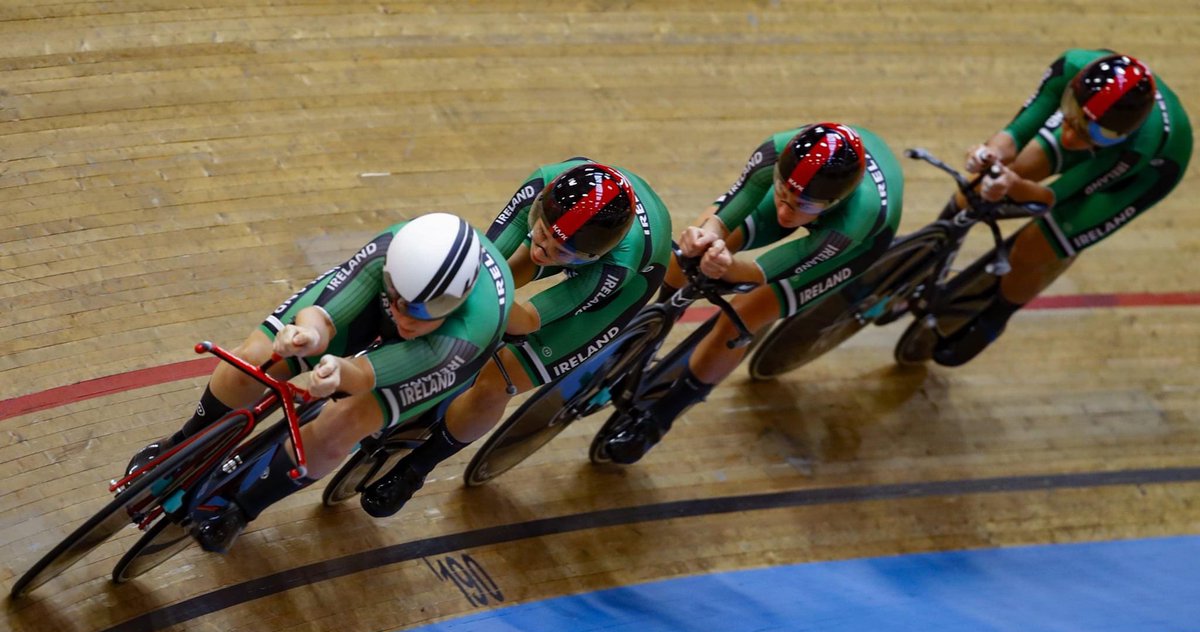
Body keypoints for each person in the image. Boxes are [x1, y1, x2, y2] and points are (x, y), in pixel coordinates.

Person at [125, 212, 513, 552]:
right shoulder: (387, 253)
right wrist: (308, 336)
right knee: (254, 360)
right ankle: (184, 444)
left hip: (443, 350)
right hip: (393, 299)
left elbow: (360, 376)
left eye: (427, 310)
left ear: (456, 299)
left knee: (342, 423)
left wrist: (334, 374)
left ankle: (244, 508)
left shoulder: (463, 333)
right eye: (398, 299)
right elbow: (324, 315)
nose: (406, 317)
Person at [358, 159, 672, 516]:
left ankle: (416, 469)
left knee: (498, 379)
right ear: (541, 207)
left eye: (561, 251)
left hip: (631, 279)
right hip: (577, 231)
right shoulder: (544, 183)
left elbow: (529, 320)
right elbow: (482, 271)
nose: (544, 251)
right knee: (479, 283)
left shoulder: (616, 268)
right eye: (542, 232)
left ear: (589, 254)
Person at [603, 123, 904, 464]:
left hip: (855, 244)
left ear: (833, 201)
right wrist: (705, 239)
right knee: (688, 255)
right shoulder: (777, 152)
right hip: (809, 193)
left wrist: (727, 268)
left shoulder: (856, 217)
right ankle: (647, 333)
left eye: (800, 204)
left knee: (744, 317)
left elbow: (766, 271)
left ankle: (660, 419)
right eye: (782, 193)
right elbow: (729, 211)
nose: (784, 212)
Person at [933, 49, 1191, 366]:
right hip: (1097, 126)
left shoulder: (1136, 149)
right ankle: (933, 249)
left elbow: (1050, 198)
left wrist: (1011, 185)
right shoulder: (1074, 68)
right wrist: (989, 154)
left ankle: (995, 319)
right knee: (978, 184)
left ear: (1114, 134)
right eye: (1069, 116)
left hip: (1137, 177)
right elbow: (1016, 132)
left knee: (1031, 249)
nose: (1068, 136)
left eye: (1082, 132)